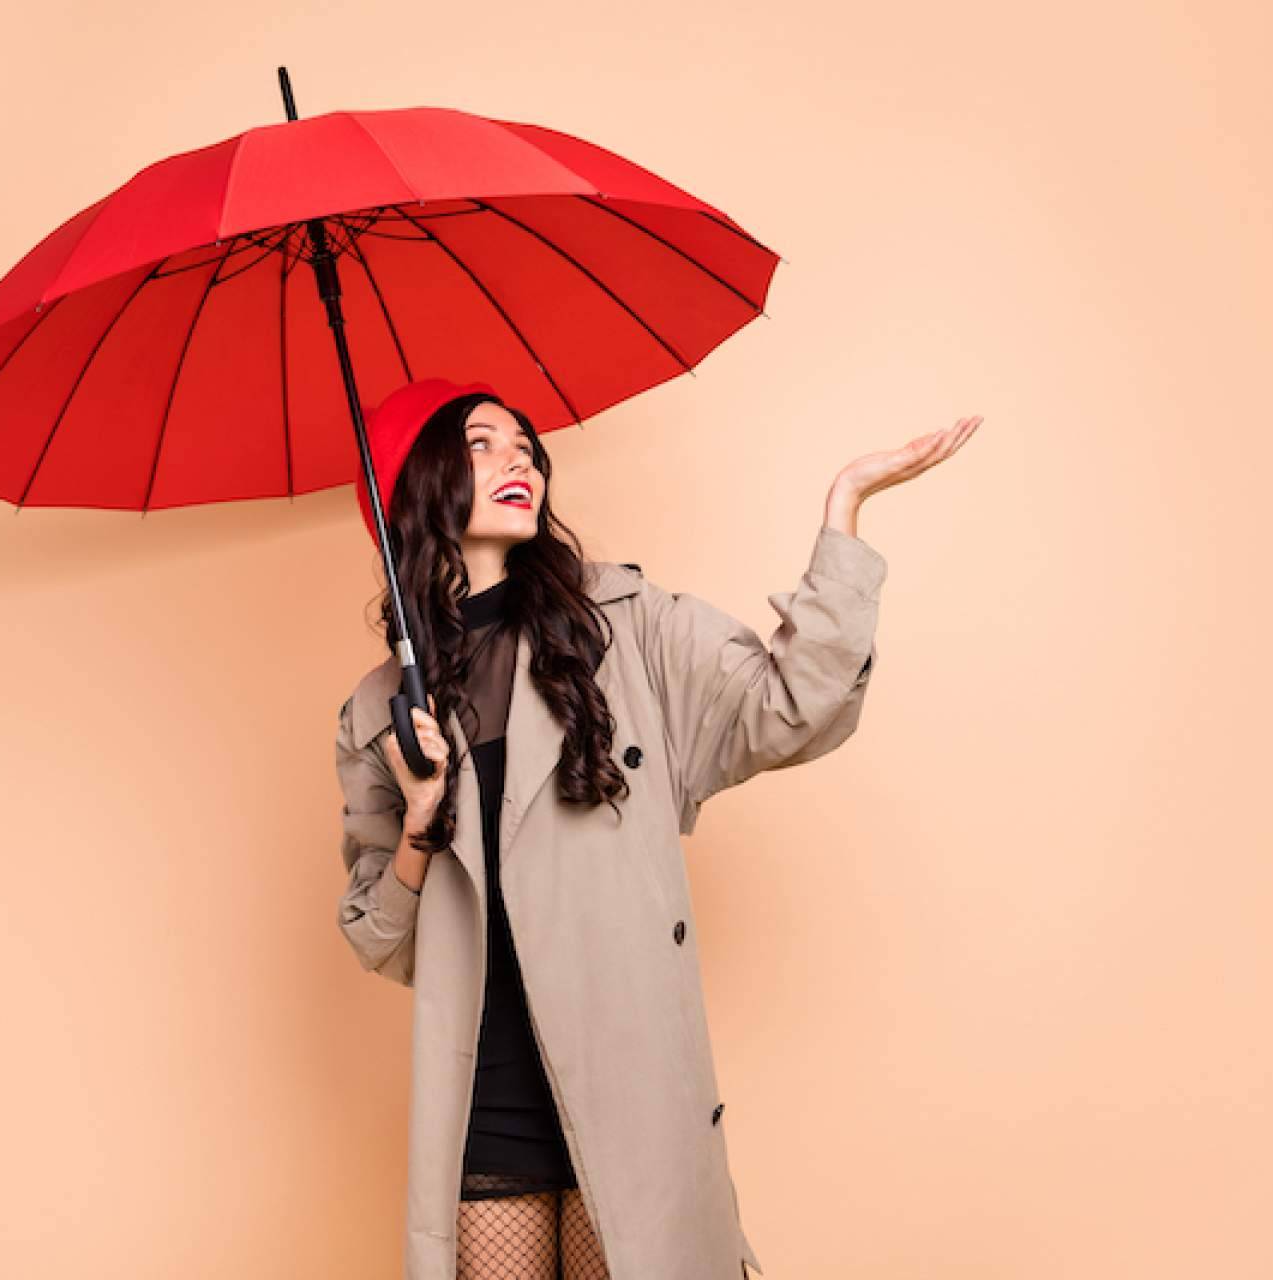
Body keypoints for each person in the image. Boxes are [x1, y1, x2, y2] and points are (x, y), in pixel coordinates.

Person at [335, 376, 981, 1280]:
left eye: (524, 444)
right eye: (481, 444)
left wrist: (845, 511)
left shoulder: (623, 627)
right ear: (419, 487)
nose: (519, 459)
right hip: (485, 1090)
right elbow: (384, 941)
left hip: (626, 1074)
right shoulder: (381, 712)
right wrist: (418, 816)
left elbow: (792, 706)